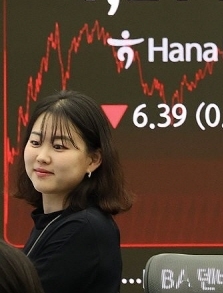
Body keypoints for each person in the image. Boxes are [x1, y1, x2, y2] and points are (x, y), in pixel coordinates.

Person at [13, 90, 134, 293]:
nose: (42, 156)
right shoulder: (52, 221)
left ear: (93, 160)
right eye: (35, 143)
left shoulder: (83, 229)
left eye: (59, 146)